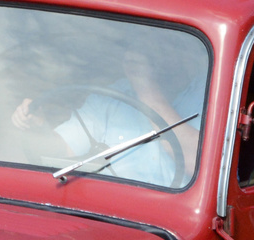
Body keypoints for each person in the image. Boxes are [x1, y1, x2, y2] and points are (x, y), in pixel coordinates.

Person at [11, 50, 203, 185]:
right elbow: (64, 150)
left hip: (171, 214)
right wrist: (38, 127)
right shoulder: (111, 97)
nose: (151, 56)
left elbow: (194, 162)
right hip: (113, 207)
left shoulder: (212, 94)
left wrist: (146, 87)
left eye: (161, 47)